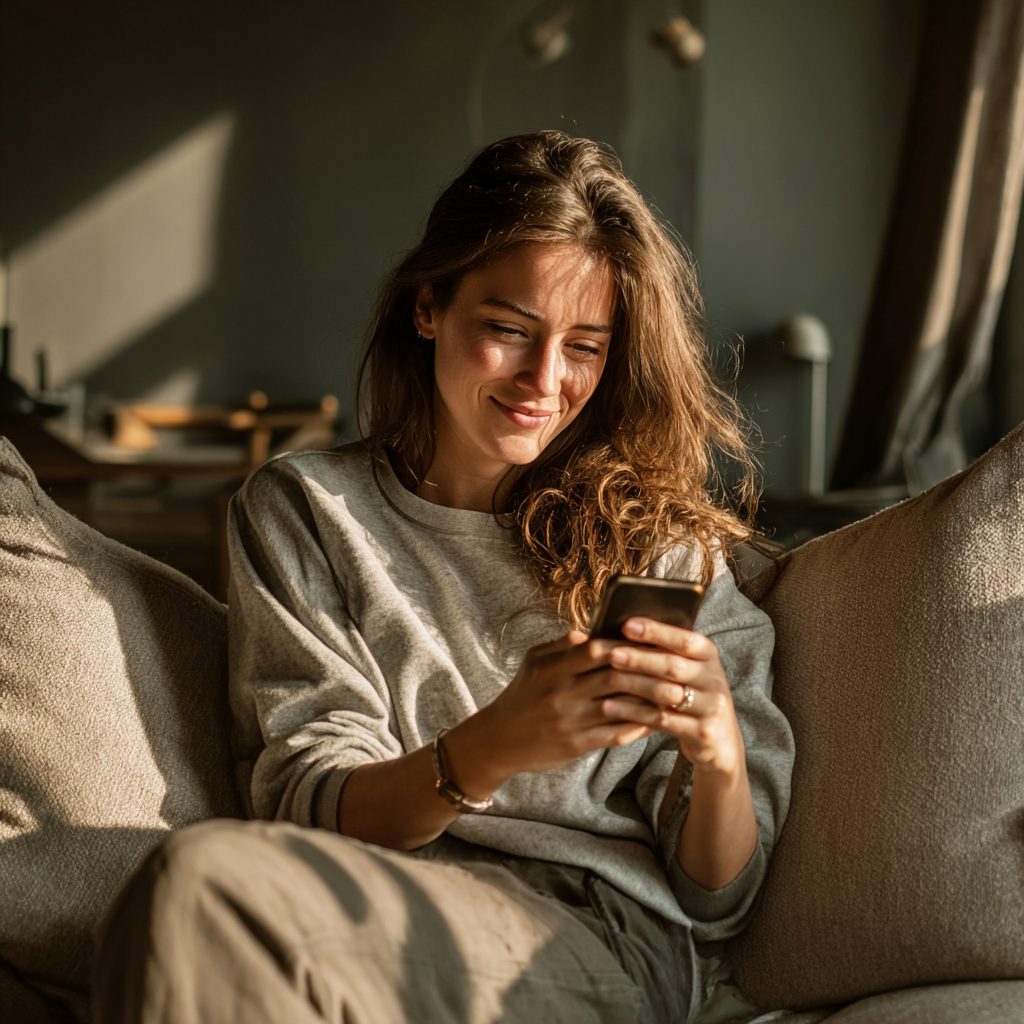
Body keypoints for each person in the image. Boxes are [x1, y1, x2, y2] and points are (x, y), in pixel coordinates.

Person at [94, 130, 794, 1024]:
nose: (546, 379)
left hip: (602, 932)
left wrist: (718, 749)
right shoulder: (307, 510)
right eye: (508, 331)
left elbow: (719, 900)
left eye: (585, 346)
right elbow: (305, 804)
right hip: (367, 901)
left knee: (200, 896)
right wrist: (494, 746)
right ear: (428, 307)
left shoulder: (661, 545)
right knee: (197, 900)